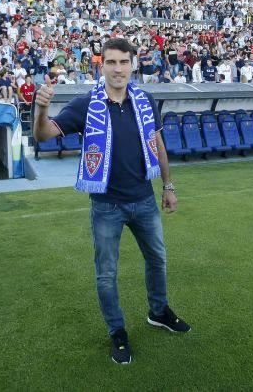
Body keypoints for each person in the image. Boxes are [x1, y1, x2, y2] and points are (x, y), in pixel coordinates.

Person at [33, 38, 190, 365]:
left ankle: (158, 312)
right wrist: (42, 107)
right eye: (111, 62)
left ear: (133, 64)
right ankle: (117, 332)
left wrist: (169, 186)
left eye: (123, 62)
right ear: (101, 65)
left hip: (145, 199)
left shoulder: (145, 100)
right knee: (107, 274)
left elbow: (157, 143)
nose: (118, 69)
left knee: (158, 260)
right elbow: (44, 135)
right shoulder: (86, 104)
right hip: (106, 205)